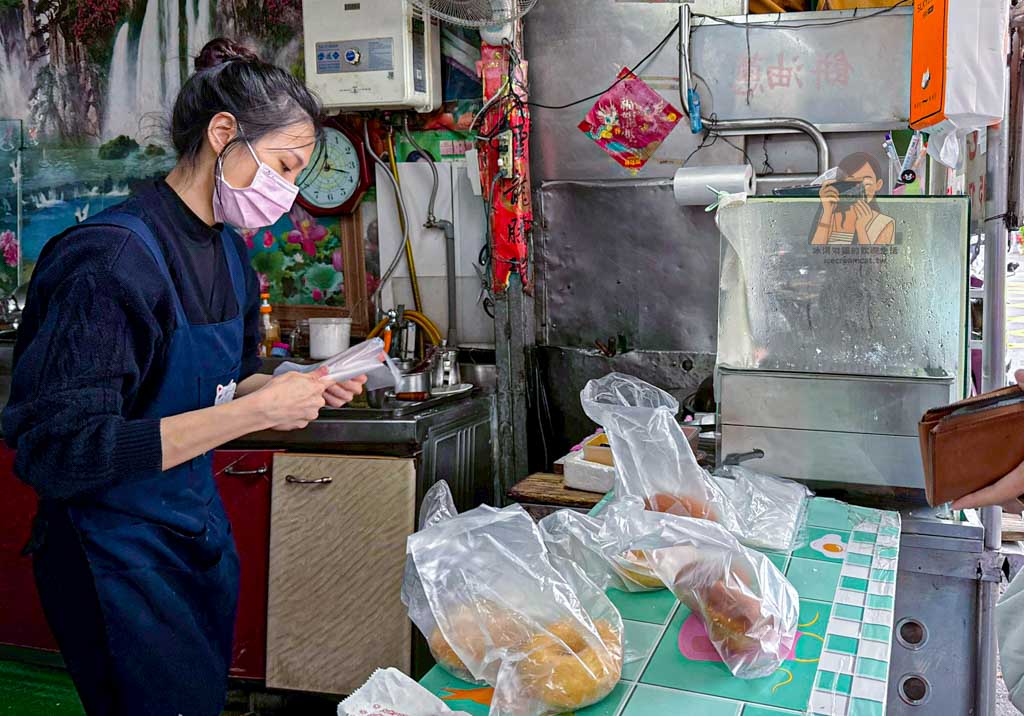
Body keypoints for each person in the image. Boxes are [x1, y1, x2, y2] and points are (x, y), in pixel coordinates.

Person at [2, 38, 367, 716]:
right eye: (284, 167)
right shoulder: (109, 261)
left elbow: (235, 377)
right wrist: (256, 415)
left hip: (190, 535)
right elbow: (60, 451)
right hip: (113, 557)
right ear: (223, 133)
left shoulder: (227, 250)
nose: (286, 194)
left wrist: (297, 384)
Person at [812, 152, 895, 246]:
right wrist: (827, 212)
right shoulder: (830, 215)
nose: (859, 188)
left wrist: (861, 229)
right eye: (851, 182)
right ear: (840, 184)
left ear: (878, 184)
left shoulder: (884, 223)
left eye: (866, 182)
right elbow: (814, 252)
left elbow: (877, 260)